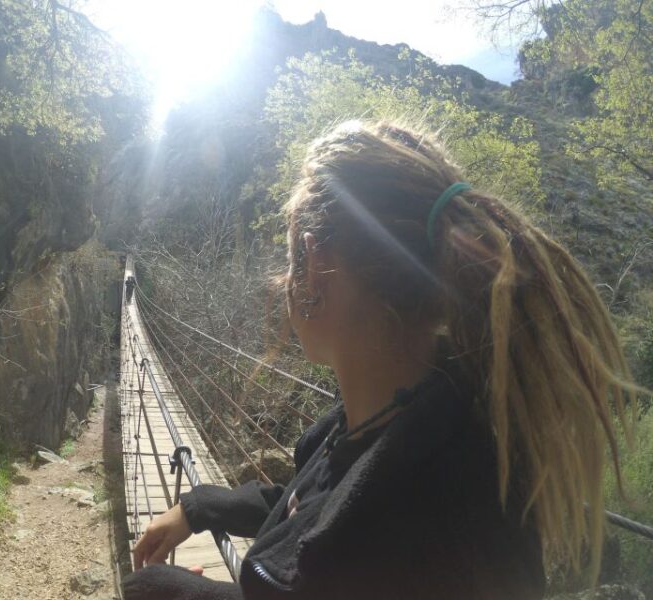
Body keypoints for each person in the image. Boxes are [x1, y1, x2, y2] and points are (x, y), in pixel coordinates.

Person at [123, 121, 639, 599]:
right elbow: (305, 501)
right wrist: (198, 508)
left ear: (315, 264)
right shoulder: (428, 421)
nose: (282, 283)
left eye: (289, 262)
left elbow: (321, 554)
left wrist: (160, 588)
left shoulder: (407, 520)